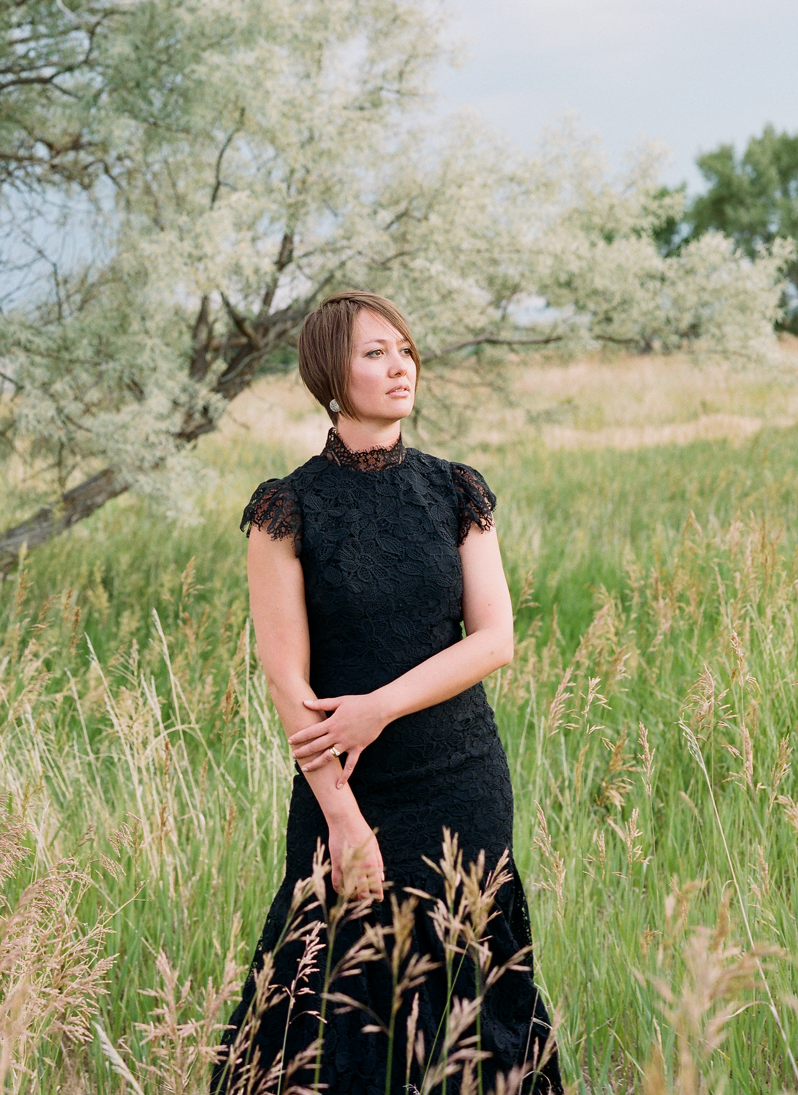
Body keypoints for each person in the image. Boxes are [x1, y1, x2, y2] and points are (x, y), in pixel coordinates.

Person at [212, 291, 561, 1095]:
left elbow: (493, 640)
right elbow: (287, 681)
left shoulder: (455, 492)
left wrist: (377, 705)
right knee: (334, 996)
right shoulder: (285, 509)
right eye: (375, 352)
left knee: (469, 988)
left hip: (462, 777)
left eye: (404, 349)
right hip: (347, 792)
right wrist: (340, 814)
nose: (399, 365)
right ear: (330, 376)